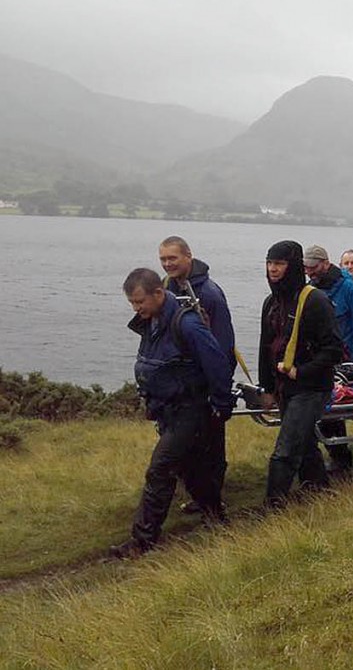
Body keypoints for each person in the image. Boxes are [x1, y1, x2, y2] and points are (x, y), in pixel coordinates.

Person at [109, 268, 234, 558]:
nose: (136, 308)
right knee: (190, 470)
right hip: (167, 410)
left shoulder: (187, 324)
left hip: (190, 409)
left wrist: (221, 406)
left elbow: (217, 364)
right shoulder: (151, 322)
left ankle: (142, 541)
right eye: (132, 303)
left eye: (140, 302)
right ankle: (216, 516)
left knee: (160, 469)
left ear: (158, 293)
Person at [260, 241, 345, 505]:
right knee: (304, 442)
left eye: (279, 264)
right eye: (270, 263)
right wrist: (267, 389)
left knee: (284, 450)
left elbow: (333, 350)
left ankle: (273, 507)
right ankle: (318, 490)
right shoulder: (272, 302)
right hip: (285, 386)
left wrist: (302, 372)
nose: (273, 270)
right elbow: (266, 346)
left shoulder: (316, 300)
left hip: (311, 387)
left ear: (293, 266)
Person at [158, 235, 236, 514]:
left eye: (173, 258)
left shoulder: (210, 293)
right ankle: (200, 496)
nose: (168, 264)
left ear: (188, 257)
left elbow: (224, 343)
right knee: (187, 447)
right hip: (181, 384)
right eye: (163, 259)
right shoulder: (167, 288)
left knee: (212, 445)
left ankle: (213, 502)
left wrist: (220, 390)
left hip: (206, 382)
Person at [303, 245, 353, 363]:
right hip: (318, 357)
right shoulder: (310, 288)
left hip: (345, 356)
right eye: (306, 268)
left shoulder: (349, 288)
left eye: (313, 267)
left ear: (326, 263)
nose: (309, 272)